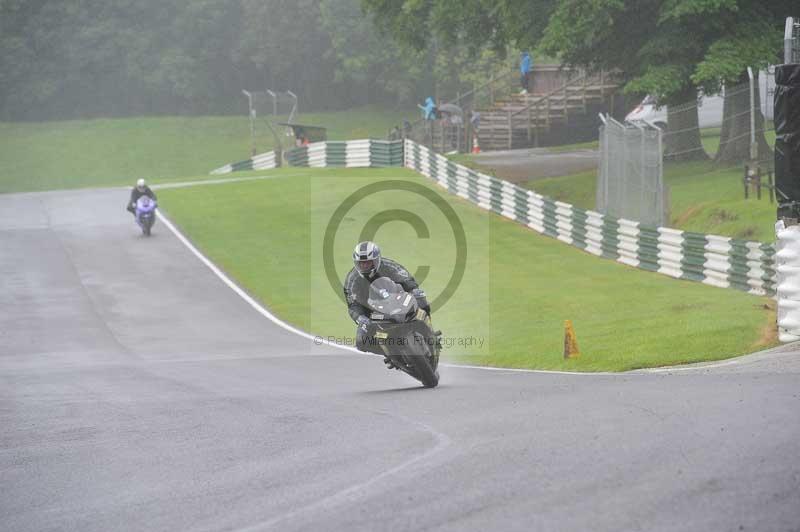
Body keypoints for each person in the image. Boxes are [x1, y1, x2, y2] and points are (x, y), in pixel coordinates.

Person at [342, 241, 431, 365]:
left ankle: (430, 335)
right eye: (361, 264)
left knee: (422, 303)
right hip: (372, 311)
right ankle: (390, 354)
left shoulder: (389, 265)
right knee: (361, 341)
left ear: (377, 260)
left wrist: (414, 290)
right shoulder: (352, 280)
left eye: (368, 262)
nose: (364, 266)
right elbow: (353, 305)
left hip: (396, 299)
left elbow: (406, 279)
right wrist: (360, 318)